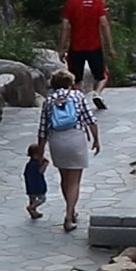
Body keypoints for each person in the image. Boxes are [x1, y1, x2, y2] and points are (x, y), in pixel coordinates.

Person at [35, 69, 100, 232]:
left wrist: (40, 150)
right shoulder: (77, 96)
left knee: (65, 178)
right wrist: (96, 139)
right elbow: (90, 119)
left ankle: (71, 209)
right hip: (75, 138)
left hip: (56, 140)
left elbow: (43, 128)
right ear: (70, 84)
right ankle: (69, 216)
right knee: (75, 180)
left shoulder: (48, 101)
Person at [59, 0, 113, 110]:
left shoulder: (71, 3)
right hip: (94, 46)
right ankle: (97, 94)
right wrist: (110, 46)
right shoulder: (98, 2)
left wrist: (61, 48)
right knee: (102, 75)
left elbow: (65, 27)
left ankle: (80, 101)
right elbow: (104, 25)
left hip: (76, 47)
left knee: (76, 79)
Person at [25, 143, 49, 219]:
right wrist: (45, 165)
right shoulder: (36, 164)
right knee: (42, 199)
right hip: (37, 186)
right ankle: (32, 207)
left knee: (32, 199)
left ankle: (33, 212)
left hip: (30, 186)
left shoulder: (29, 164)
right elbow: (40, 171)